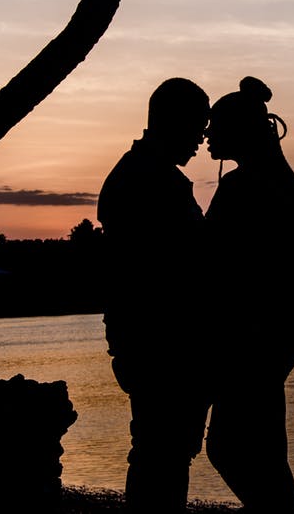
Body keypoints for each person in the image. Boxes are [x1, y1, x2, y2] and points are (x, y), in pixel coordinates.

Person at [96, 77, 212, 513]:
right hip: (161, 344)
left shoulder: (138, 174)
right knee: (161, 452)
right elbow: (172, 269)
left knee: (160, 450)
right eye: (197, 128)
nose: (201, 141)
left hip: (145, 342)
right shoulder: (152, 181)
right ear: (173, 123)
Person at [203, 76, 294, 513]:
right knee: (264, 445)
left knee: (229, 448)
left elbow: (218, 261)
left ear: (238, 131)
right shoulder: (279, 184)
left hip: (254, 334)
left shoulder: (243, 186)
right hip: (281, 330)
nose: (208, 134)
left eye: (216, 125)